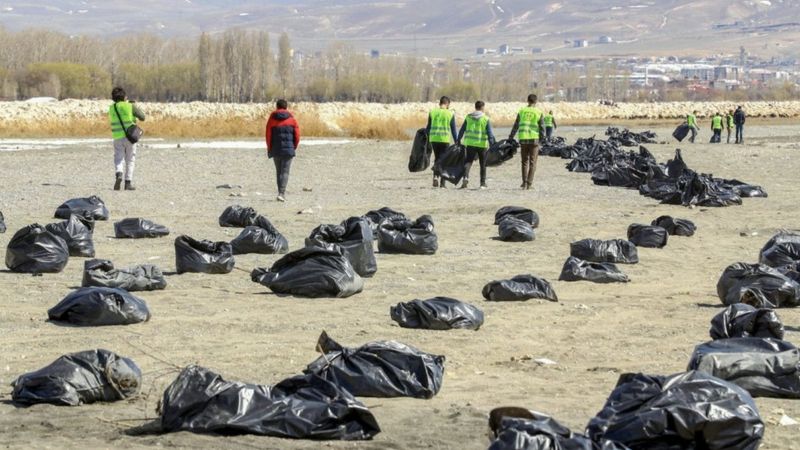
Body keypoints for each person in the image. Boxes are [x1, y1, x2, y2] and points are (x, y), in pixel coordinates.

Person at [108, 87, 145, 191]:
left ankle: (119, 173)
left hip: (117, 137)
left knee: (118, 158)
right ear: (124, 96)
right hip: (130, 137)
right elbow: (142, 117)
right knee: (130, 159)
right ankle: (128, 183)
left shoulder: (111, 108)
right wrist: (134, 105)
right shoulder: (129, 106)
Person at [265, 99, 300, 202]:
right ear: (286, 107)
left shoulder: (272, 119)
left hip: (275, 149)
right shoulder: (292, 119)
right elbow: (297, 135)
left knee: (278, 171)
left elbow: (268, 135)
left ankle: (280, 193)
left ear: (277, 106)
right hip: (288, 150)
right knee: (285, 172)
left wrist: (269, 148)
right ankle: (282, 193)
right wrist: (294, 147)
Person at [457, 100, 496, 189]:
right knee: (483, 164)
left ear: (475, 107)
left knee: (468, 162)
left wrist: (458, 139)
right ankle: (482, 184)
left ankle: (465, 177)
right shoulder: (485, 119)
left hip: (470, 144)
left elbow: (462, 129)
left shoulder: (468, 117)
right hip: (482, 145)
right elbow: (490, 134)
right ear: (482, 108)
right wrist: (492, 145)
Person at [508, 94, 545, 190]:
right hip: (534, 140)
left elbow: (515, 126)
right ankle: (529, 184)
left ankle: (524, 183)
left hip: (523, 139)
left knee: (524, 162)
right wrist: (542, 139)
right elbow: (542, 128)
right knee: (533, 163)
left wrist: (510, 137)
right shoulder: (538, 112)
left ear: (527, 101)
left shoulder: (522, 111)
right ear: (536, 102)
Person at [426, 96, 458, 188]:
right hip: (444, 139)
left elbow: (428, 128)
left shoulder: (432, 112)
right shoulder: (450, 114)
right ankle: (442, 184)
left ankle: (435, 177)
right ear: (447, 104)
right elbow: (453, 130)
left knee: (437, 158)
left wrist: (425, 138)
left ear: (440, 103)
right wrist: (457, 141)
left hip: (434, 139)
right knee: (444, 160)